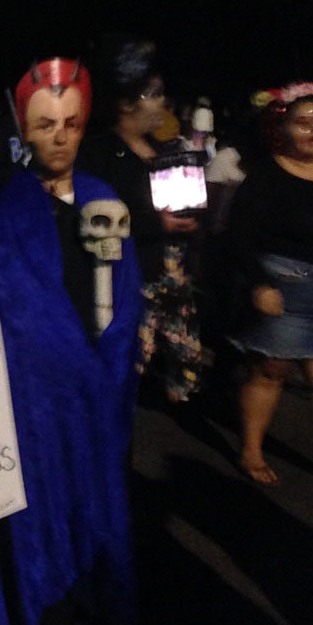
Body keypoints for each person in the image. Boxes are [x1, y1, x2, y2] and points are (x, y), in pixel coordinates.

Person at [0, 57, 143, 625]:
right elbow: (5, 304)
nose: (61, 136)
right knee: (44, 517)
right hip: (36, 399)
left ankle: (82, 612)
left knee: (93, 503)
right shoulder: (10, 210)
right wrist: (60, 360)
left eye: (70, 123)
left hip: (96, 393)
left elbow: (118, 293)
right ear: (27, 132)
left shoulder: (103, 199)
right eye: (46, 125)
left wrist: (115, 351)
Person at [226, 82, 313, 488]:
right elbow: (240, 236)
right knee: (272, 369)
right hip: (284, 285)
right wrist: (260, 283)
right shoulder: (267, 175)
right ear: (284, 128)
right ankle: (251, 450)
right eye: (304, 123)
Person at [79, 38, 203, 405]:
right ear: (126, 103)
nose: (162, 102)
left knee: (186, 368)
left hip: (174, 275)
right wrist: (156, 224)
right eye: (153, 94)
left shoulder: (167, 150)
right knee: (127, 366)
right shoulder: (99, 153)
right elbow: (94, 217)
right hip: (132, 277)